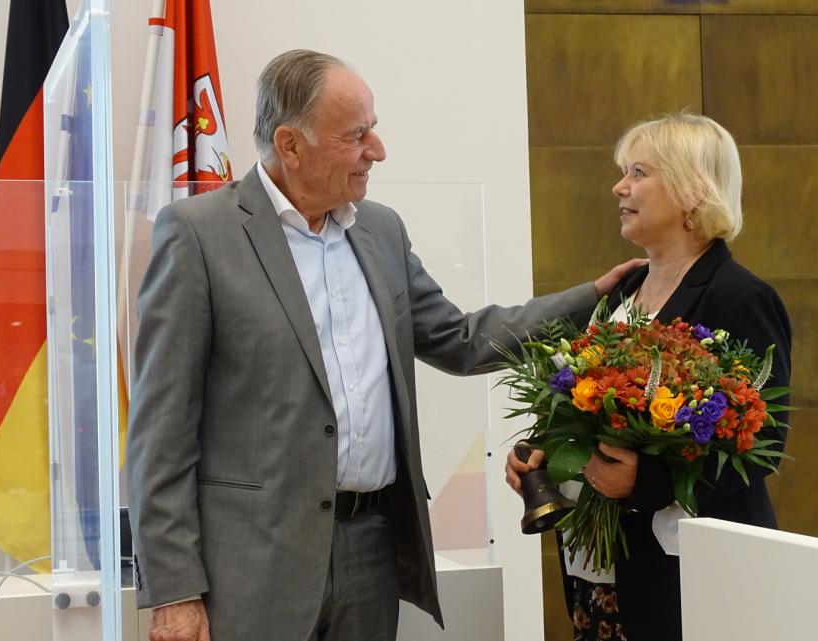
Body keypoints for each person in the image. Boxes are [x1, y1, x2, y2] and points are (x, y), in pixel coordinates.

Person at [125, 49, 643, 641]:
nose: (378, 149)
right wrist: (174, 591)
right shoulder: (197, 234)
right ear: (291, 145)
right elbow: (160, 433)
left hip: (369, 552)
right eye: (357, 135)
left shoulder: (381, 230)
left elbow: (459, 339)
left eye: (374, 128)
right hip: (249, 569)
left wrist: (588, 300)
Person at [505, 112, 792, 641]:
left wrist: (647, 484)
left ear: (691, 190)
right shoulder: (624, 289)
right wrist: (550, 447)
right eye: (624, 173)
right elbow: (591, 405)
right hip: (604, 564)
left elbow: (764, 444)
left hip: (688, 569)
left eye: (639, 173)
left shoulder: (738, 296)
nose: (619, 187)